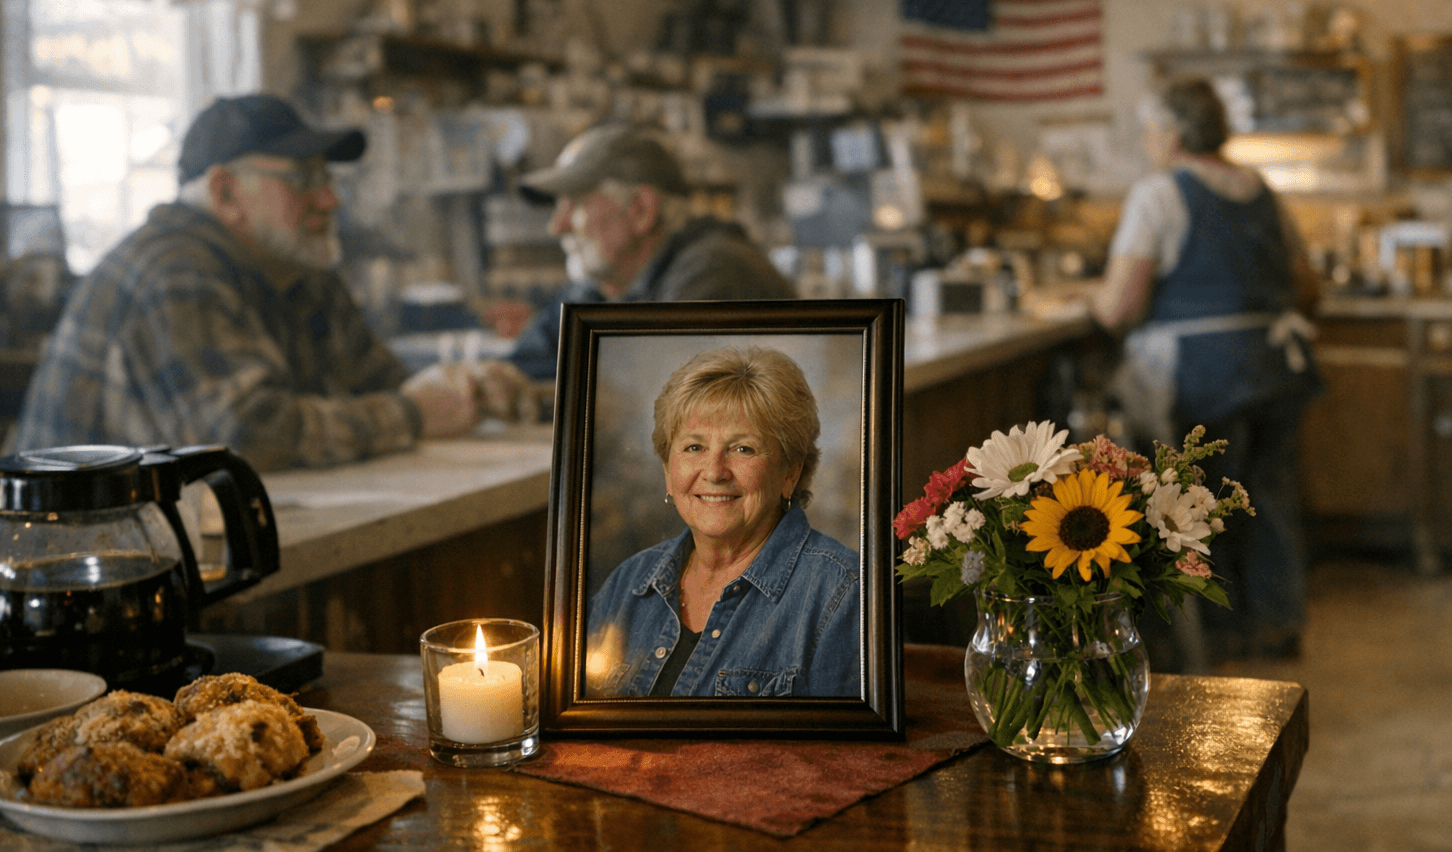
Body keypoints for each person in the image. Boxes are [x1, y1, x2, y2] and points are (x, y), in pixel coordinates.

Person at [14, 94, 523, 471]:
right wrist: (411, 414)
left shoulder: (298, 269)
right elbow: (245, 435)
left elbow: (382, 382)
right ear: (226, 192)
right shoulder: (172, 271)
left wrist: (469, 388)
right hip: (78, 563)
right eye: (304, 179)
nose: (330, 201)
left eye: (328, 179)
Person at [1091, 78, 1323, 664]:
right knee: (1268, 494)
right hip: (1275, 369)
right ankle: (1276, 623)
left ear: (1172, 133)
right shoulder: (1263, 191)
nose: (1147, 142)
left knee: (1197, 502)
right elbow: (1307, 286)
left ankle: (1211, 636)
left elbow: (1118, 309)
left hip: (1201, 378)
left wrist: (1090, 296)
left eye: (1149, 131)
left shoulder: (1159, 193)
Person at [585, 346, 860, 698]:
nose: (714, 472)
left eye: (743, 449)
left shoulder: (841, 594)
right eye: (694, 448)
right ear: (668, 471)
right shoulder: (628, 584)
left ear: (791, 472)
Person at [505, 123, 797, 380]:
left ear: (641, 210)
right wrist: (496, 382)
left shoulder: (718, 271)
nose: (558, 226)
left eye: (576, 205)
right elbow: (525, 367)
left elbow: (658, 396)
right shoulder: (606, 284)